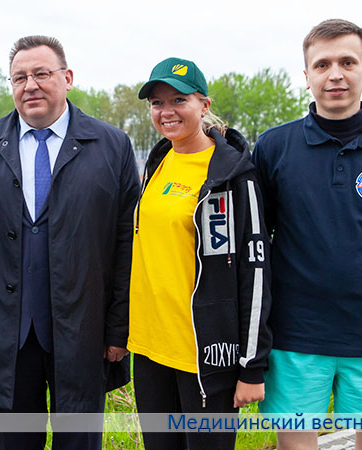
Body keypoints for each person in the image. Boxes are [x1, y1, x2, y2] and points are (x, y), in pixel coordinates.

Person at [0, 35, 140, 450]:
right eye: (19, 77)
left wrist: (118, 327)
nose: (30, 85)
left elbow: (127, 244)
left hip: (84, 329)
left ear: (67, 77)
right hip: (8, 333)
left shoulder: (111, 146)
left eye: (41, 73)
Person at [253, 19, 362, 450]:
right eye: (322, 65)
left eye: (348, 61)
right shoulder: (273, 147)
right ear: (307, 77)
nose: (336, 74)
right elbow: (260, 234)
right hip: (295, 333)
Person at [129, 57, 272, 449]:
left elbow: (255, 271)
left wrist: (251, 366)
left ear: (204, 105)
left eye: (179, 100)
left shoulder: (233, 176)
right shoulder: (157, 161)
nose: (167, 111)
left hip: (204, 356)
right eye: (157, 103)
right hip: (149, 348)